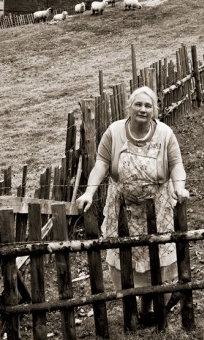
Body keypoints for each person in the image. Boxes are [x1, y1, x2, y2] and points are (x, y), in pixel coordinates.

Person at [76, 85, 189, 324]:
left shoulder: (165, 134)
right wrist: (89, 192)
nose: (143, 109)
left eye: (148, 105)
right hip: (122, 208)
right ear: (129, 107)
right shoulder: (114, 132)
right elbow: (101, 164)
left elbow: (176, 164)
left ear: (154, 110)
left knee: (154, 255)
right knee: (125, 257)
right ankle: (132, 308)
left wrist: (179, 187)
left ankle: (150, 306)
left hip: (156, 208)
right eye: (138, 104)